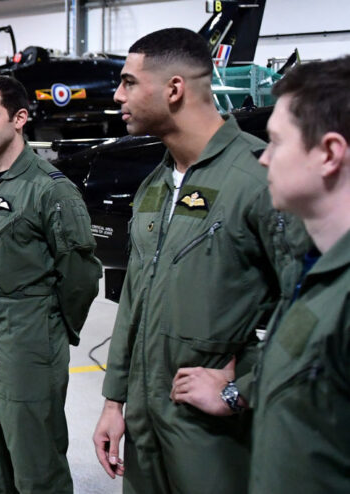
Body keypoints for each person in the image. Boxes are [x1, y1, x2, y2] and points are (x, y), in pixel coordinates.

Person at [92, 28, 308, 494]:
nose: (117, 94)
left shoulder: (259, 179)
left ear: (174, 89)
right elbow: (134, 298)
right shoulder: (155, 186)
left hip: (216, 436)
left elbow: (313, 308)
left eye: (129, 82)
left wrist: (239, 391)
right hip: (146, 428)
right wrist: (114, 400)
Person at [171, 56, 350, 493]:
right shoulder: (317, 272)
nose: (264, 159)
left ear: (328, 153)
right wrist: (238, 392)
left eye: (275, 143)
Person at [0, 75, 102, 494]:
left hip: (28, 339)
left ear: (19, 118)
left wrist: (50, 326)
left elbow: (80, 274)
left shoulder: (51, 190)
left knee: (35, 458)